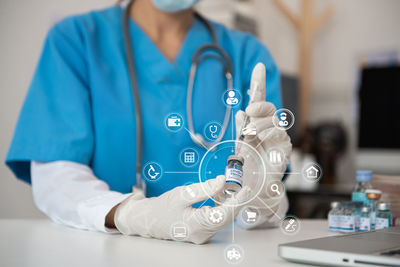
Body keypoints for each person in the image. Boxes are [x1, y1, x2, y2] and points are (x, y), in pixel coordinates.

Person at [6, 0, 291, 244]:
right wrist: (128, 215)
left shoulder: (247, 56)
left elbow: (260, 201)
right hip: (107, 253)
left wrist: (261, 195)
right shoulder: (76, 40)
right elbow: (56, 173)